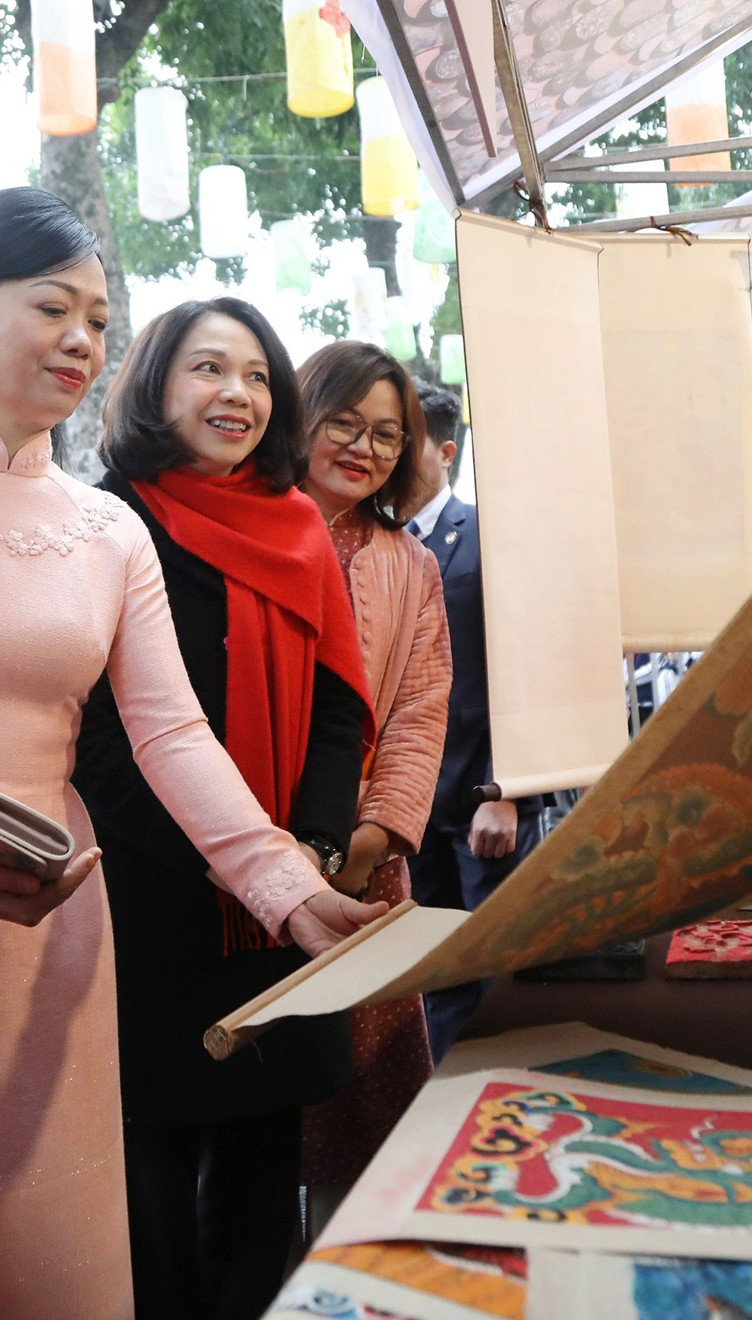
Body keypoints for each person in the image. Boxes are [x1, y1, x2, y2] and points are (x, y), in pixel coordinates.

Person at [0, 189, 384, 1319]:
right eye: (54, 308)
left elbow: (170, 732)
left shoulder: (106, 530)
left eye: (99, 320)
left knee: (52, 1247)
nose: (82, 342)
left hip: (54, 926)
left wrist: (288, 887)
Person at [74, 298, 374, 1319]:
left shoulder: (298, 528)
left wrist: (312, 851)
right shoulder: (107, 521)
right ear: (156, 385)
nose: (235, 394)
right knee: (149, 1198)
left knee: (260, 1191)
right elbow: (102, 737)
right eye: (206, 369)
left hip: (286, 904)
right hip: (147, 900)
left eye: (254, 374)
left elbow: (343, 708)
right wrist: (219, 856)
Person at [295, 341, 450, 1200]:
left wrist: (373, 835)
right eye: (344, 423)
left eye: (387, 435)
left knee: (368, 1108)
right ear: (303, 416)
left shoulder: (410, 563)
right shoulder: (245, 531)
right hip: (238, 863)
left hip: (366, 863)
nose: (364, 448)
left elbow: (423, 710)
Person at [401, 382, 542, 1061]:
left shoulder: (490, 536)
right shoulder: (376, 545)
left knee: (498, 970)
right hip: (406, 810)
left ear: (445, 450)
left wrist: (507, 792)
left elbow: (527, 670)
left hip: (482, 801)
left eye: (403, 437)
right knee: (433, 973)